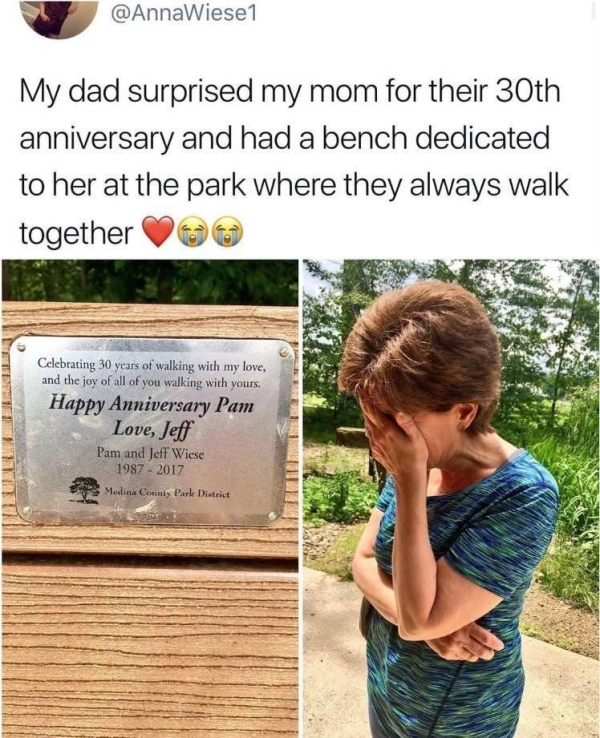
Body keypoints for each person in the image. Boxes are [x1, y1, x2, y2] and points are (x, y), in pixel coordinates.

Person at [337, 281, 559, 738]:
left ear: (464, 412)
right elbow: (360, 563)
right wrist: (421, 625)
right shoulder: (412, 457)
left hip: (456, 721)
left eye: (393, 419)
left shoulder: (523, 495)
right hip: (385, 690)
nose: (377, 434)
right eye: (369, 414)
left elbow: (420, 618)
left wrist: (409, 481)